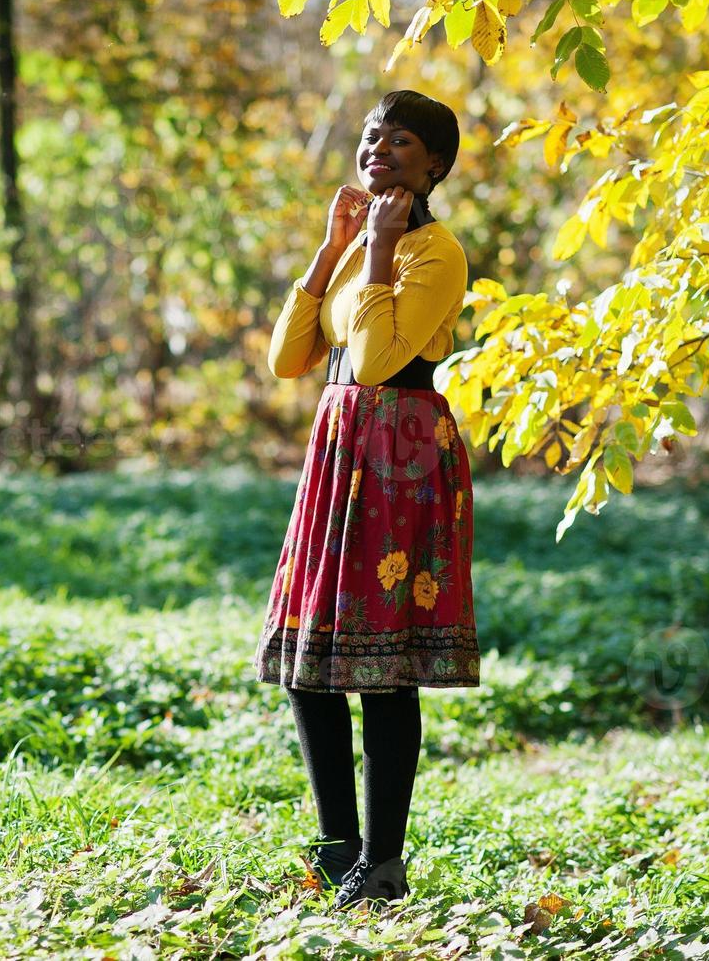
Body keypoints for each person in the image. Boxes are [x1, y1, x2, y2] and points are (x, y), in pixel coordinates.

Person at [254, 89, 480, 911]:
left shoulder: (436, 251)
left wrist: (381, 248)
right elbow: (288, 358)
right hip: (339, 445)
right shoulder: (358, 245)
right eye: (371, 135)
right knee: (310, 664)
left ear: (436, 165)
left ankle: (383, 864)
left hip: (400, 453)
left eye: (401, 140)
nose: (377, 148)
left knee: (384, 671)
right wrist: (331, 250)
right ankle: (336, 850)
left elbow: (383, 361)